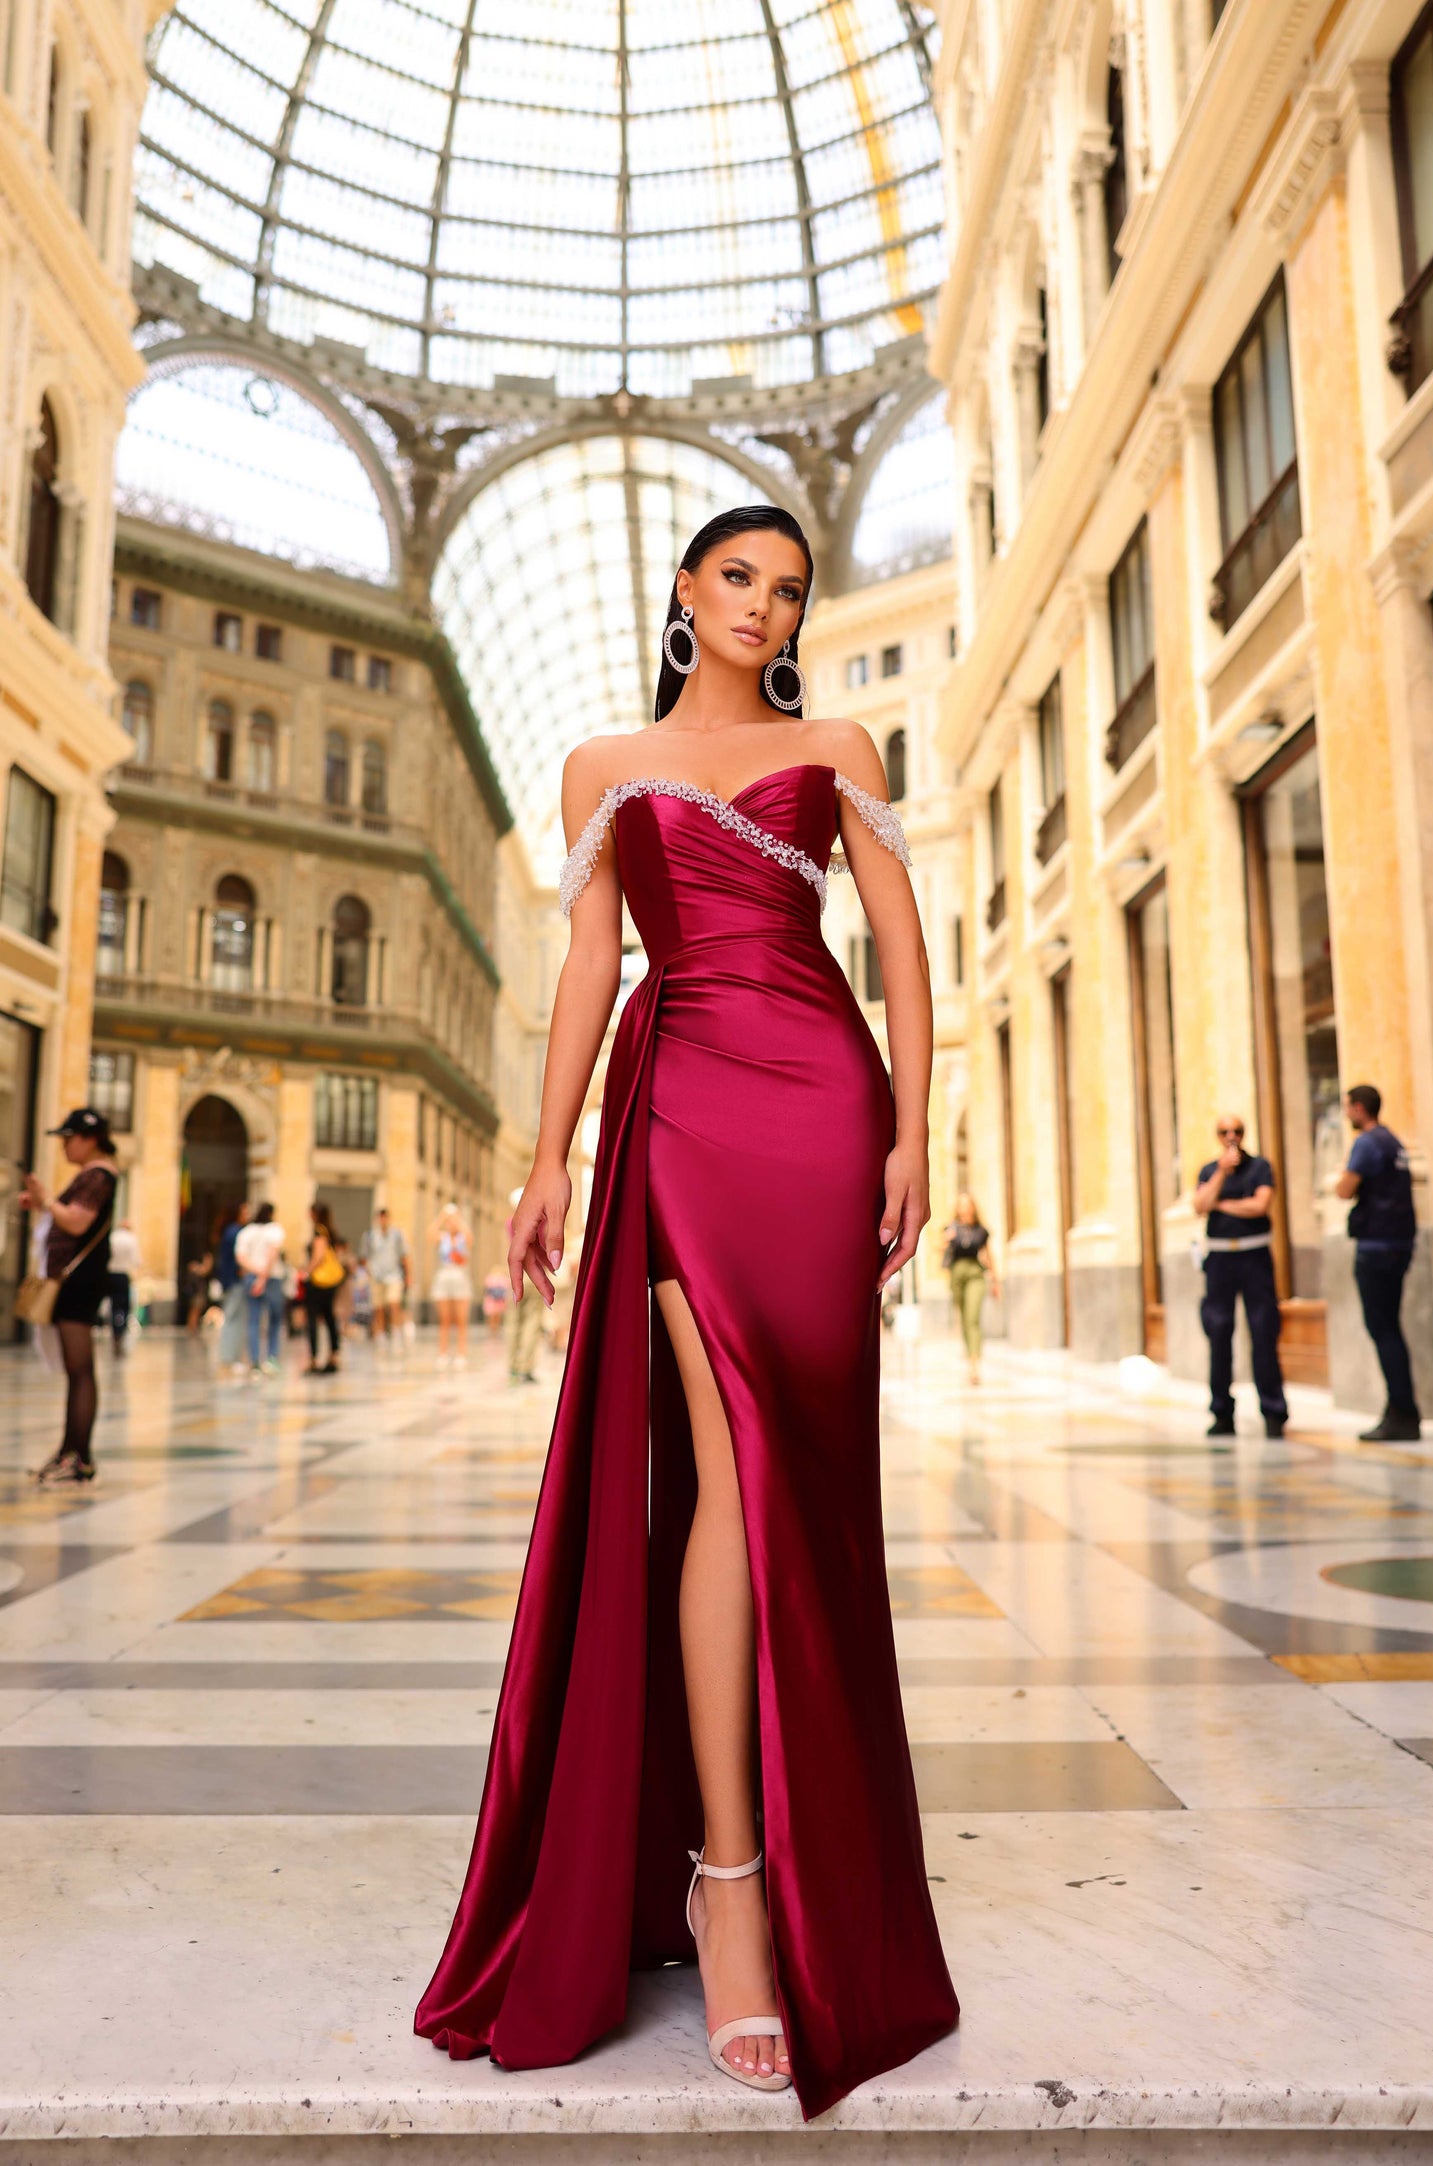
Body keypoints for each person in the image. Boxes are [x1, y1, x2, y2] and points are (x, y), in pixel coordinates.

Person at [415, 506, 956, 2115]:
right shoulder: (599, 764)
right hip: (682, 1107)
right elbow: (592, 961)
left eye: (788, 587)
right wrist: (546, 1159)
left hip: (819, 1098)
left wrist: (917, 1128)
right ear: (683, 588)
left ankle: (800, 1859)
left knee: (805, 1482)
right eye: (738, 576)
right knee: (727, 1471)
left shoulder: (838, 742)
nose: (764, 605)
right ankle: (728, 1879)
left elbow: (901, 953)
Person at [20, 1107, 119, 1484]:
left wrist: (46, 1200)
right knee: (76, 1371)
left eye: (69, 1138)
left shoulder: (98, 1174)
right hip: (77, 1282)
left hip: (79, 1283)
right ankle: (69, 1452)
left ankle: (79, 1457)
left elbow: (77, 1221)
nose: (64, 1145)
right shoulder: (92, 1174)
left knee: (80, 1371)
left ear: (89, 1138)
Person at [1192, 1116, 1288, 1438]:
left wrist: (1221, 1204)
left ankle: (1273, 1411)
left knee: (1263, 1330)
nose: (1232, 1137)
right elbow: (1201, 1205)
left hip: (1254, 1256)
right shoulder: (1209, 1170)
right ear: (1218, 1136)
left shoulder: (1260, 1167)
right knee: (1219, 1332)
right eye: (1224, 1132)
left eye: (1237, 1131)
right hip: (1219, 1259)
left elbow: (1261, 1206)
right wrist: (1222, 1173)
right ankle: (1221, 1412)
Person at [1337, 1084, 1420, 1442]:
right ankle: (1400, 1408)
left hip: (1376, 1246)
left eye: (1348, 1108)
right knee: (1391, 1328)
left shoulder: (1367, 1143)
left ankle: (1402, 1412)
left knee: (1383, 1328)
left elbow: (1344, 1188)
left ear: (1358, 1109)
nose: (1346, 1114)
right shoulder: (1393, 1142)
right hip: (1399, 1243)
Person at [942, 1192, 998, 1385]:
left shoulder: (981, 1231)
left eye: (967, 1205)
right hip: (957, 1275)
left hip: (975, 1274)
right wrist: (946, 1240)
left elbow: (988, 1255)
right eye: (961, 1205)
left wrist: (995, 1280)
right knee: (964, 1318)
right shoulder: (951, 1228)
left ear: (973, 1207)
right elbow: (939, 1251)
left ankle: (975, 1366)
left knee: (972, 1318)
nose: (964, 1208)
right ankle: (969, 1356)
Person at [236, 1202, 286, 1377]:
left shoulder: (246, 1232)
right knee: (274, 1320)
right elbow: (273, 1254)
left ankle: (255, 1361)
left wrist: (256, 1274)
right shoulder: (275, 1230)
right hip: (271, 1278)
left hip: (252, 1276)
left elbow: (241, 1257)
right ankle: (271, 1358)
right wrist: (263, 1277)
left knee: (253, 1321)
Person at [504, 1185, 543, 1383]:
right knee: (531, 1322)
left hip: (514, 1274)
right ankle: (525, 1367)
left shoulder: (510, 1223)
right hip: (533, 1275)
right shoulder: (537, 1224)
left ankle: (512, 1366)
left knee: (513, 1322)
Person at [303, 1200, 345, 1373]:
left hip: (319, 1281)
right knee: (329, 1318)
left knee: (312, 1319)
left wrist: (306, 1271)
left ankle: (313, 1358)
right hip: (331, 1282)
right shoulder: (330, 1231)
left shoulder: (319, 1231)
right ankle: (334, 1355)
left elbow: (319, 1255)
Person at [429, 1203, 472, 1370]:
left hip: (460, 1275)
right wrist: (442, 1217)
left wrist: (457, 1218)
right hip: (444, 1275)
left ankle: (461, 1353)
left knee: (461, 1319)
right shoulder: (442, 1237)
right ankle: (443, 1352)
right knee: (444, 1319)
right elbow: (430, 1234)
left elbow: (470, 1237)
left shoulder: (463, 1236)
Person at [361, 1206, 410, 1346]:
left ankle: (396, 1332)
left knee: (394, 1303)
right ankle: (381, 1333)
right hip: (376, 1276)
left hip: (394, 1275)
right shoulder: (370, 1236)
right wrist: (368, 1273)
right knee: (379, 1306)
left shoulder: (397, 1235)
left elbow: (404, 1256)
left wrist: (408, 1275)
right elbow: (364, 1257)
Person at [215, 1201, 251, 1374]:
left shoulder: (230, 1231)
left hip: (230, 1281)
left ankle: (231, 1357)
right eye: (244, 1211)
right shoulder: (236, 1232)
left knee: (233, 1318)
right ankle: (230, 1358)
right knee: (232, 1318)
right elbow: (238, 1258)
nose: (247, 1214)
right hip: (235, 1281)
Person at [107, 1219, 142, 1354]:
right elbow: (137, 1261)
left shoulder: (113, 1237)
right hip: (122, 1275)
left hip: (110, 1274)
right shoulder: (131, 1239)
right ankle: (120, 1333)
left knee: (114, 1305)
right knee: (124, 1306)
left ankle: (114, 1333)